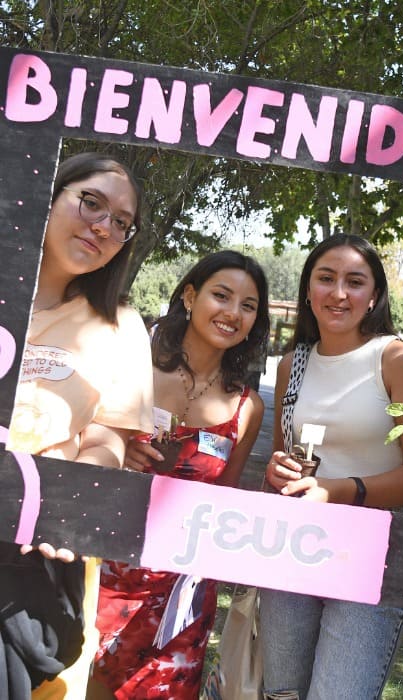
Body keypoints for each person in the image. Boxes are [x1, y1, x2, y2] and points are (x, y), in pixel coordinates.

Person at [1, 152, 155, 699]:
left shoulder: (122, 327)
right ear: (48, 191)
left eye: (121, 223)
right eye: (91, 202)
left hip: (31, 565)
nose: (103, 227)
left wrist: (69, 504)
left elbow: (110, 436)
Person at [260, 233, 403, 700]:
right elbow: (279, 458)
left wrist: (338, 491)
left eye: (355, 282)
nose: (339, 293)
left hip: (371, 555)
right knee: (281, 692)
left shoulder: (397, 360)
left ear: (374, 295)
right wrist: (279, 471)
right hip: (292, 549)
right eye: (326, 278)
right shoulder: (291, 364)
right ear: (308, 290)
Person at [89, 251, 270, 700]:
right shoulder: (133, 369)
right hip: (103, 571)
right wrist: (116, 447)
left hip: (180, 595)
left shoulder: (248, 408)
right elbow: (85, 445)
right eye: (221, 296)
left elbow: (225, 502)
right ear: (190, 296)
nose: (232, 313)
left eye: (248, 306)